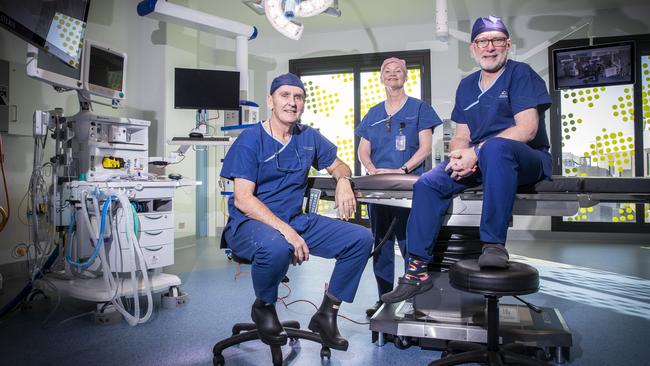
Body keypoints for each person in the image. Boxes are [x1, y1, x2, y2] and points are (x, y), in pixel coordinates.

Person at [381, 16, 553, 304]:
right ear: (473, 48)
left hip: (527, 158)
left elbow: (527, 129)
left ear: (507, 45)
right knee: (428, 183)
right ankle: (416, 272)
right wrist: (460, 155)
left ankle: (494, 244)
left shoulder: (521, 74)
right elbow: (462, 135)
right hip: (483, 159)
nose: (490, 47)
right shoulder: (467, 86)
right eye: (482, 41)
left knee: (496, 148)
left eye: (497, 40)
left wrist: (478, 151)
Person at [220, 73, 374, 351]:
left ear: (303, 103)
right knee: (277, 246)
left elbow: (340, 165)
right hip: (250, 224)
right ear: (271, 100)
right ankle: (264, 306)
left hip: (295, 219)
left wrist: (342, 181)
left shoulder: (308, 137)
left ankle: (327, 314)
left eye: (298, 97)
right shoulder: (250, 140)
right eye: (284, 96)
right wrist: (287, 232)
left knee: (360, 239)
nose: (292, 102)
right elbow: (243, 199)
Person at [355, 57, 442, 317]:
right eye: (387, 71)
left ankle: (416, 297)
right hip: (379, 189)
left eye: (398, 71)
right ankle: (385, 298)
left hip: (410, 186)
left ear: (405, 77)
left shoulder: (419, 109)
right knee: (380, 244)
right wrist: (372, 170)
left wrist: (400, 170)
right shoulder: (373, 113)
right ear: (382, 78)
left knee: (410, 242)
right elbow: (363, 149)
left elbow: (425, 148)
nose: (393, 75)